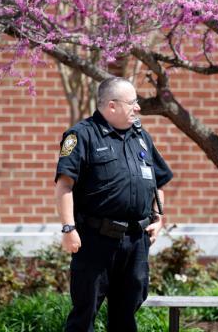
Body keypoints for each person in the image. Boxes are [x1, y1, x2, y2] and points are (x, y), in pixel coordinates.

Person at [55, 77, 173, 332]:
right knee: (84, 313)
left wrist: (158, 217)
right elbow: (64, 186)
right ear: (111, 106)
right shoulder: (81, 136)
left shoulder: (141, 136)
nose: (138, 108)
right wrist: (68, 228)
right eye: (132, 103)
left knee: (126, 314)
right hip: (96, 240)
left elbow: (158, 182)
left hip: (135, 242)